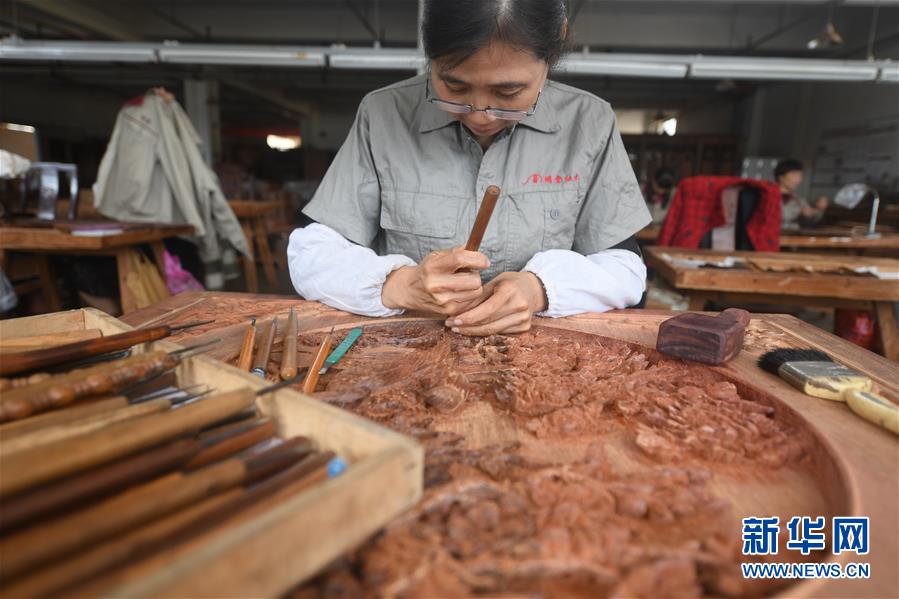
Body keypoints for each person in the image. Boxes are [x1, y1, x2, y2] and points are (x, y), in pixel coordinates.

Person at [287, 0, 650, 337]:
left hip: (536, 362)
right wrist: (399, 284)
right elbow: (312, 254)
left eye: (509, 93)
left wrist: (539, 289)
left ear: (554, 48)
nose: (480, 114)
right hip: (404, 354)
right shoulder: (384, 114)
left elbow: (625, 268)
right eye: (453, 86)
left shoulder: (589, 122)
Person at [775, 159, 828, 229]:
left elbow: (811, 222)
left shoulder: (799, 200)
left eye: (800, 176)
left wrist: (818, 210)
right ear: (781, 177)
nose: (798, 179)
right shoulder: (766, 196)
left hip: (791, 237)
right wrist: (798, 213)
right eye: (794, 175)